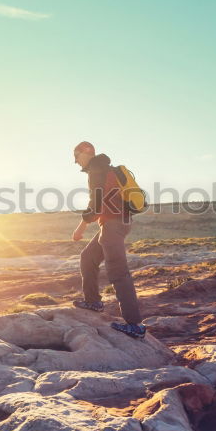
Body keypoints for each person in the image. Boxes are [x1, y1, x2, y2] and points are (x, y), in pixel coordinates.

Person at [70, 141, 146, 339]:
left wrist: (81, 227)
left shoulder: (97, 170)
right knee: (88, 257)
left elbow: (95, 206)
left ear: (84, 153)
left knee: (118, 272)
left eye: (76, 157)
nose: (76, 162)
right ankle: (93, 301)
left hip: (113, 225)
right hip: (117, 223)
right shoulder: (106, 168)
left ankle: (135, 325)